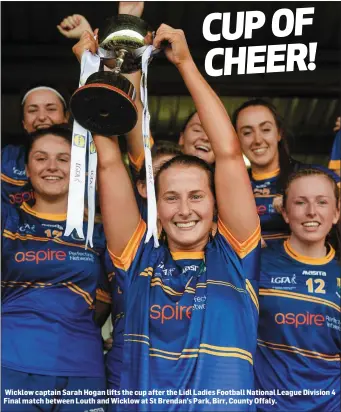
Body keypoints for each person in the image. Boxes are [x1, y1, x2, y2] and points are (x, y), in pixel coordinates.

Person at [92, 24, 260, 410]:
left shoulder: (236, 258)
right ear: (156, 205)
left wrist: (185, 63)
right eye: (171, 197)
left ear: (217, 205)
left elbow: (231, 154)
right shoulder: (137, 259)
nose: (184, 210)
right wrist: (98, 74)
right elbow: (110, 165)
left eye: (197, 196)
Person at [1, 125, 112, 411]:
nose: (52, 167)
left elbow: (111, 296)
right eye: (41, 158)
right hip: (11, 365)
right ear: (26, 168)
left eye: (64, 159)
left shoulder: (99, 229)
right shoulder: (8, 222)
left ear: (78, 169)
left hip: (83, 368)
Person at [255, 167, 340, 411]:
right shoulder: (256, 264)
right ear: (285, 212)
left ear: (336, 213)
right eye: (300, 202)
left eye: (322, 202)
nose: (311, 211)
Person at [232, 99, 340, 245]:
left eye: (265, 130)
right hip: (249, 267)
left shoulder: (315, 176)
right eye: (247, 133)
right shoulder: (230, 186)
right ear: (237, 140)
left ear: (279, 133)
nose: (257, 140)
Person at [1, 85, 69, 207]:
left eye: (51, 109)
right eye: (32, 110)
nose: (42, 117)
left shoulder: (88, 160)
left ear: (66, 117)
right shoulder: (5, 158)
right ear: (24, 123)